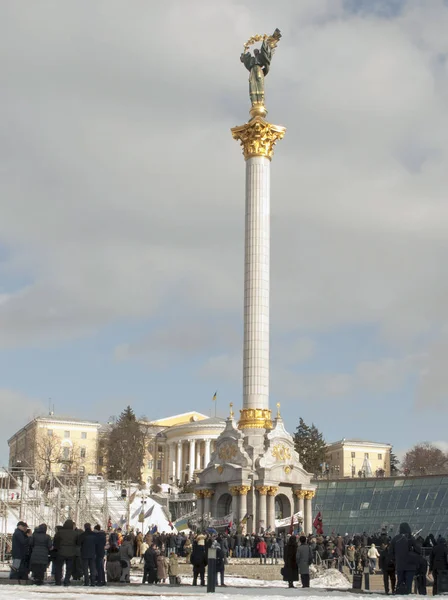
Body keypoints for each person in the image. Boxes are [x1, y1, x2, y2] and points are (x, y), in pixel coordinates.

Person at [390, 522, 421, 595]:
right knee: (409, 584)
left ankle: (399, 594)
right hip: (410, 565)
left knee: (400, 582)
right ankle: (407, 595)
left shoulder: (395, 539)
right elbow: (418, 550)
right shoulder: (411, 538)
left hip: (400, 565)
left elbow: (390, 552)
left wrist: (396, 560)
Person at [53, 519, 79, 586]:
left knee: (58, 567)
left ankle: (58, 581)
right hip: (71, 552)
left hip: (61, 552)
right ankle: (66, 581)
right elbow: (77, 543)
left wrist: (57, 549)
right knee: (69, 568)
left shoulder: (60, 532)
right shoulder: (75, 533)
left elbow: (55, 541)